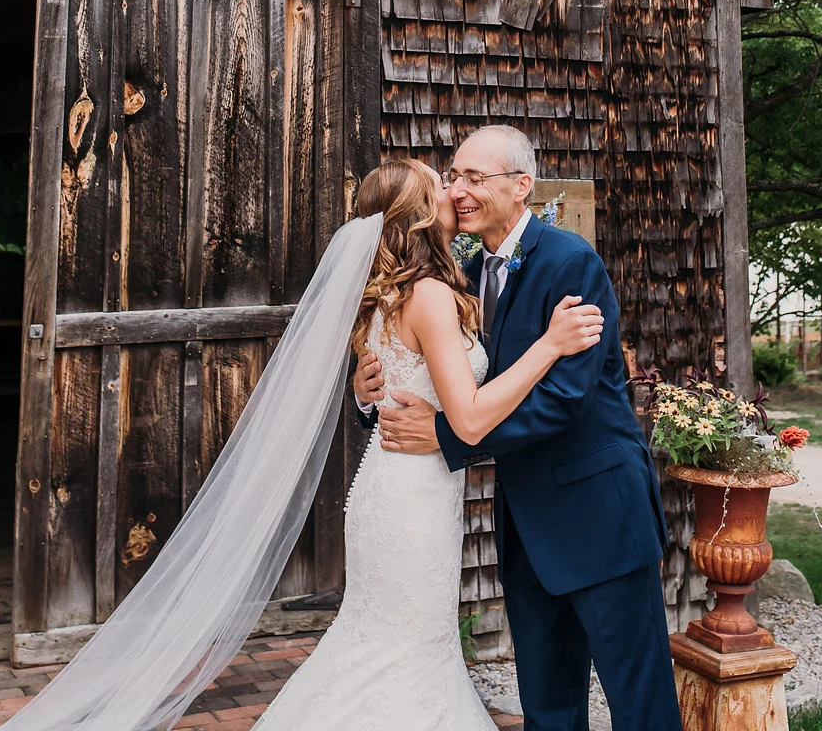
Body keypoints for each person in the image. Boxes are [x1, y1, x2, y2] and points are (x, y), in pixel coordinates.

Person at [255, 156, 604, 729]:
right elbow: (467, 420)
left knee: (382, 640)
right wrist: (549, 345)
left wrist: (366, 395)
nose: (454, 189)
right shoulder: (430, 295)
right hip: (413, 497)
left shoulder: (383, 295)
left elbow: (393, 381)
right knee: (410, 648)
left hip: (389, 488)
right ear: (420, 213)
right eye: (441, 184)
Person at [355, 125, 684, 731]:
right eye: (454, 176)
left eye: (474, 178)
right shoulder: (470, 271)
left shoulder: (571, 262)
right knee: (547, 705)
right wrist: (368, 391)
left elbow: (565, 398)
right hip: (526, 521)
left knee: (639, 703)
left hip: (597, 513)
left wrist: (449, 436)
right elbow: (428, 365)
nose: (458, 190)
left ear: (521, 187)